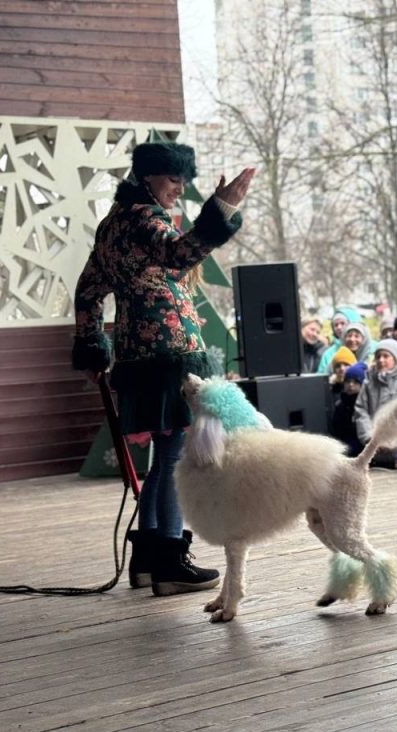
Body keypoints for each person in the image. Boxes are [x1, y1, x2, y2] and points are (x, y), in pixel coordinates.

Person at [72, 141, 254, 596]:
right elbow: (180, 254)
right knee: (174, 456)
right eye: (173, 179)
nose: (180, 189)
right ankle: (170, 561)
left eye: (184, 181)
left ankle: (148, 564)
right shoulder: (145, 218)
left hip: (135, 354)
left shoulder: (111, 225)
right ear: (148, 176)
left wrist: (94, 345)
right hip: (169, 351)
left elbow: (87, 291)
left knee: (162, 455)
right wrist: (223, 208)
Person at [354, 339, 397, 464]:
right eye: (378, 356)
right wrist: (369, 437)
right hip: (373, 447)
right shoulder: (368, 383)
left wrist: (393, 442)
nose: (381, 360)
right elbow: (361, 410)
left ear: (395, 359)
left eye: (386, 356)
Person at [315, 305, 365, 373]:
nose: (339, 327)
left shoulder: (371, 347)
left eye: (342, 323)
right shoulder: (328, 354)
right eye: (336, 325)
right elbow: (321, 376)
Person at [330, 362, 366, 457]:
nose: (350, 385)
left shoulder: (365, 405)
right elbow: (336, 431)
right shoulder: (340, 405)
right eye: (347, 381)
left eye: (355, 382)